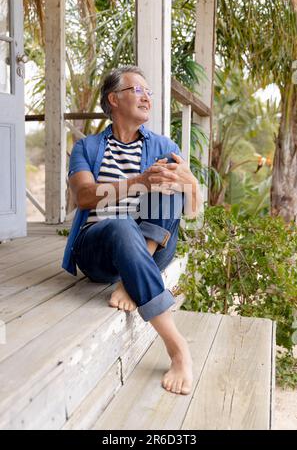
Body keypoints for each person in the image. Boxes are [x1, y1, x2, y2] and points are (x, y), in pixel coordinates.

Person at [62, 66, 201, 395]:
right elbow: (83, 197)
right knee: (123, 224)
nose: (146, 97)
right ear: (114, 99)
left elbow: (192, 210)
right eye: (138, 90)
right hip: (98, 247)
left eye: (149, 92)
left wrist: (191, 183)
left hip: (150, 244)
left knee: (172, 184)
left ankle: (133, 276)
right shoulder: (89, 148)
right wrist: (139, 182)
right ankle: (177, 347)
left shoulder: (164, 147)